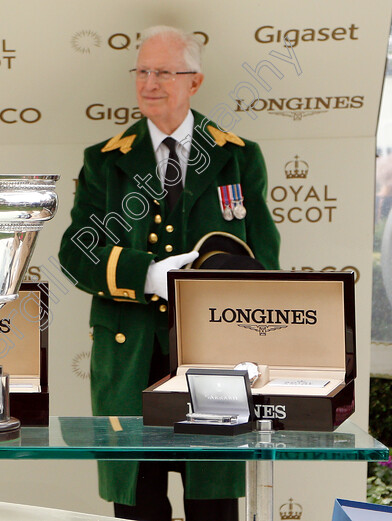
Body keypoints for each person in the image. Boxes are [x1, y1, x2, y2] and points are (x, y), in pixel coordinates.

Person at [58, 26, 280, 521]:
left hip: (213, 361)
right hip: (132, 357)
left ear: (194, 82)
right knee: (138, 502)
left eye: (162, 72)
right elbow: (76, 251)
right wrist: (148, 275)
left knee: (213, 501)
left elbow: (265, 260)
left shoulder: (237, 156)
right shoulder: (105, 162)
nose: (148, 83)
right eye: (141, 71)